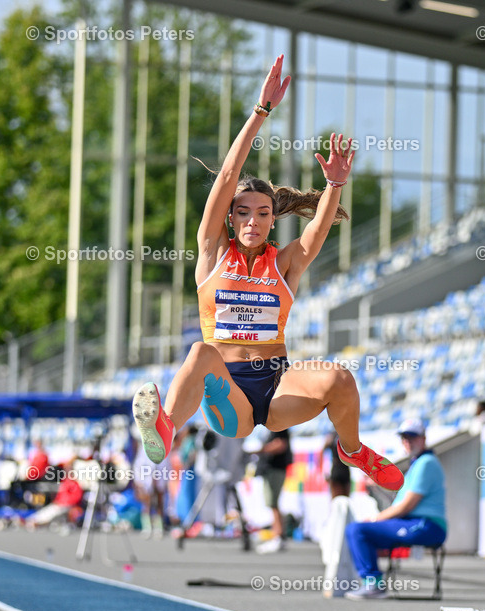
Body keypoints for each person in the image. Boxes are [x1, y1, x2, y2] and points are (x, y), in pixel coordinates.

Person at [131, 55, 402, 493]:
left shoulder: (285, 263)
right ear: (231, 218)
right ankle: (167, 429)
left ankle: (352, 450)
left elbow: (315, 235)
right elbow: (226, 180)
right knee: (201, 352)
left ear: (273, 218)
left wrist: (334, 185)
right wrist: (261, 112)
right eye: (243, 213)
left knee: (340, 379)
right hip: (229, 399)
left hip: (277, 387)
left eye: (262, 213)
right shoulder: (212, 250)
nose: (252, 221)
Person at [344, 418, 447, 599]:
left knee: (358, 530)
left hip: (426, 525)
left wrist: (376, 520)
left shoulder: (426, 463)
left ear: (423, 438)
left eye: (412, 437)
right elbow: (401, 503)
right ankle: (372, 582)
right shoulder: (419, 463)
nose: (407, 441)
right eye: (404, 437)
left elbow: (406, 506)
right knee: (361, 531)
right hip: (417, 522)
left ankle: (373, 584)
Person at [255, 428, 292, 554]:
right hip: (272, 468)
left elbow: (280, 445)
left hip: (275, 468)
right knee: (273, 504)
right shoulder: (274, 425)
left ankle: (278, 536)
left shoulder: (279, 424)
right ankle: (278, 535)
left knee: (273, 503)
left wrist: (260, 450)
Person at [322, 430, 351, 498]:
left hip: (345, 468)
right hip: (336, 468)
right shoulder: (332, 436)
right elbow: (323, 452)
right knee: (336, 499)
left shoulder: (347, 434)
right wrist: (324, 471)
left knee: (346, 499)